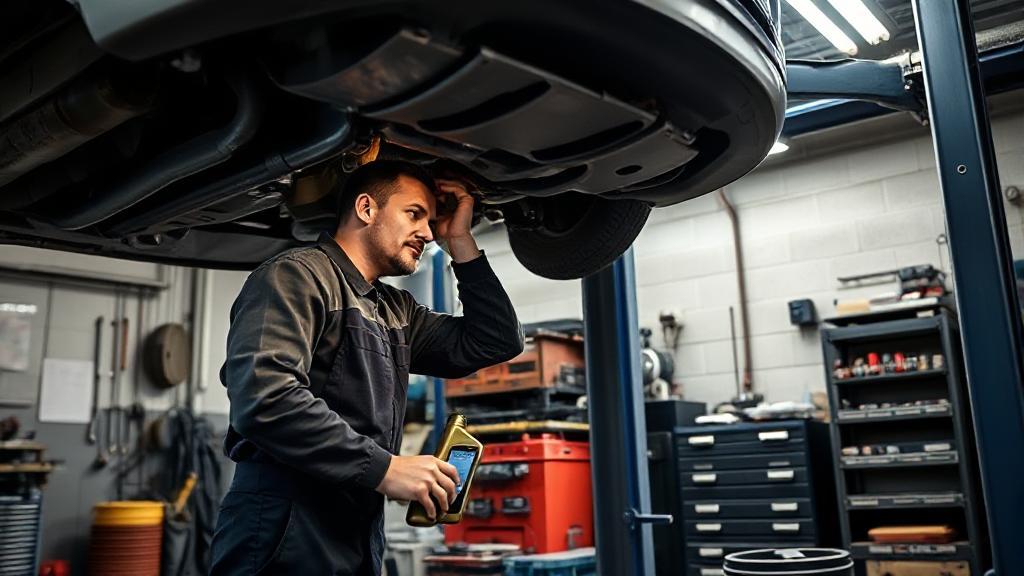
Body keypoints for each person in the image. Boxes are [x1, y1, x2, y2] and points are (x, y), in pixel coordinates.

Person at [209, 160, 524, 575]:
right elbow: (266, 398)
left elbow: (496, 340)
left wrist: (461, 240)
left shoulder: (395, 309)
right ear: (366, 208)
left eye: (431, 221)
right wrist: (387, 468)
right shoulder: (296, 276)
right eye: (414, 214)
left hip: (358, 526)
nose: (428, 233)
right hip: (283, 526)